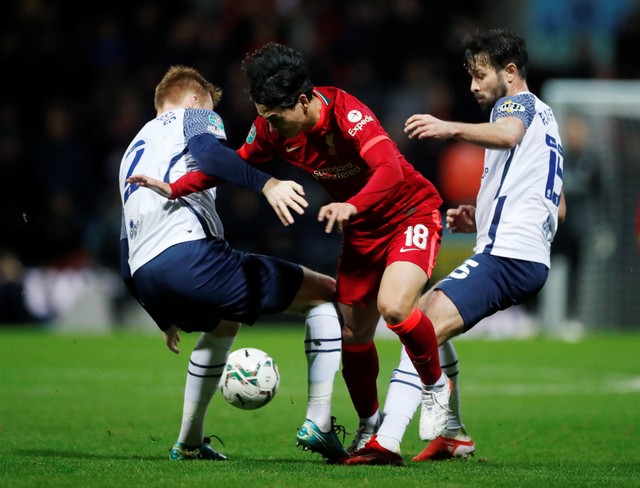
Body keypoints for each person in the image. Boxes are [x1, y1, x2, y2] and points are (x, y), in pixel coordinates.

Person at [150, 42, 449, 462]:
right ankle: (371, 427)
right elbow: (234, 165)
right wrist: (176, 188)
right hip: (362, 229)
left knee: (394, 308)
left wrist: (352, 204)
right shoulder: (271, 127)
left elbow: (390, 169)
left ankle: (436, 388)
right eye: (264, 116)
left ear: (304, 100)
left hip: (409, 213)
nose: (270, 125)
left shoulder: (347, 112)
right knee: (352, 336)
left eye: (276, 116)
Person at [345, 28, 565, 465]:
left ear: (510, 71)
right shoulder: (549, 122)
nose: (473, 86)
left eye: (481, 75)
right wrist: (481, 216)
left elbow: (505, 135)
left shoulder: (515, 106)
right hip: (520, 253)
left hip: (509, 255)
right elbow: (556, 210)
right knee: (426, 317)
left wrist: (448, 127)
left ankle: (385, 441)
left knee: (418, 321)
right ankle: (452, 434)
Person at [119, 65, 345, 462]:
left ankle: (189, 442)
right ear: (193, 100)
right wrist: (267, 184)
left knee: (224, 321)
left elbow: (126, 246)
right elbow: (209, 156)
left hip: (147, 274)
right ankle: (319, 420)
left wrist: (160, 315)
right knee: (324, 293)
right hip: (190, 255)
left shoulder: (132, 152)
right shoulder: (193, 117)